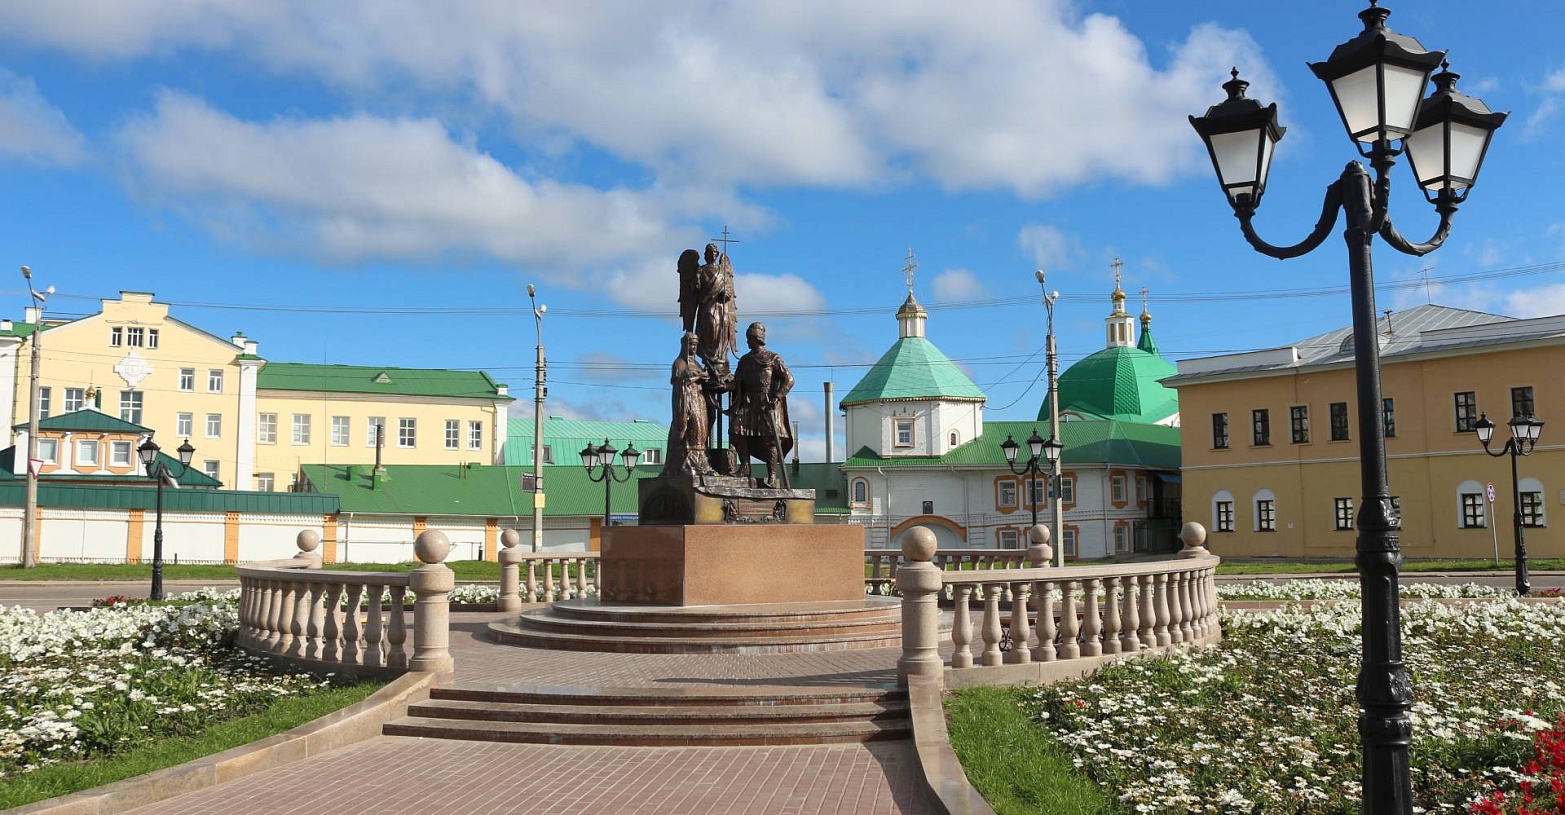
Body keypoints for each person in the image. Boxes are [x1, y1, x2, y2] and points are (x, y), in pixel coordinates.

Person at [728, 322, 793, 488]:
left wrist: (777, 397)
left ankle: (771, 475)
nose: (747, 342)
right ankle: (745, 466)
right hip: (749, 402)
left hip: (767, 404)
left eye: (749, 338)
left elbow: (789, 379)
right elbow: (736, 382)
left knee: (770, 440)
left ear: (756, 338)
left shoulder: (772, 358)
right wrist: (723, 385)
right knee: (736, 431)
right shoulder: (745, 360)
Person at [662, 333, 712, 476]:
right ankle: (687, 462)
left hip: (699, 399)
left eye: (695, 345)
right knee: (690, 428)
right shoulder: (679, 363)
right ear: (685, 345)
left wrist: (704, 376)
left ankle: (700, 462)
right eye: (691, 344)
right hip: (686, 400)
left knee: (702, 429)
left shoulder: (697, 364)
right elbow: (679, 382)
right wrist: (699, 376)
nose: (694, 348)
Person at [694, 243, 736, 373]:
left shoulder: (722, 270)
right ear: (705, 255)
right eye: (710, 252)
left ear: (717, 255)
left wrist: (726, 294)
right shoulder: (701, 270)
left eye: (714, 252)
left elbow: (728, 288)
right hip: (707, 306)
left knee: (723, 327)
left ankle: (720, 356)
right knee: (711, 326)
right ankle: (709, 357)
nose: (712, 254)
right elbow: (695, 290)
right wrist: (696, 280)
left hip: (721, 306)